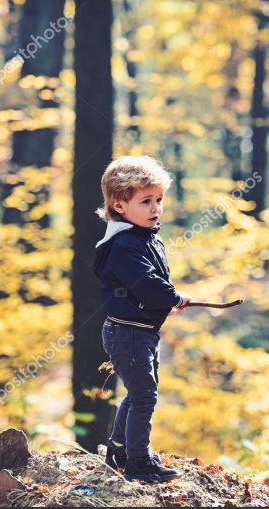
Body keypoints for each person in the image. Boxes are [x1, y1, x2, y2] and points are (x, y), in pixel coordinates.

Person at [92, 155, 192, 482]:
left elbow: (150, 282)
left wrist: (166, 302)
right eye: (146, 201)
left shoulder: (146, 237)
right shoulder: (123, 244)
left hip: (142, 331)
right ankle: (138, 462)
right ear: (120, 206)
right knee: (145, 397)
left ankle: (120, 448)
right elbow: (144, 281)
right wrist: (170, 297)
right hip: (127, 334)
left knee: (138, 394)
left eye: (159, 200)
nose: (156, 208)